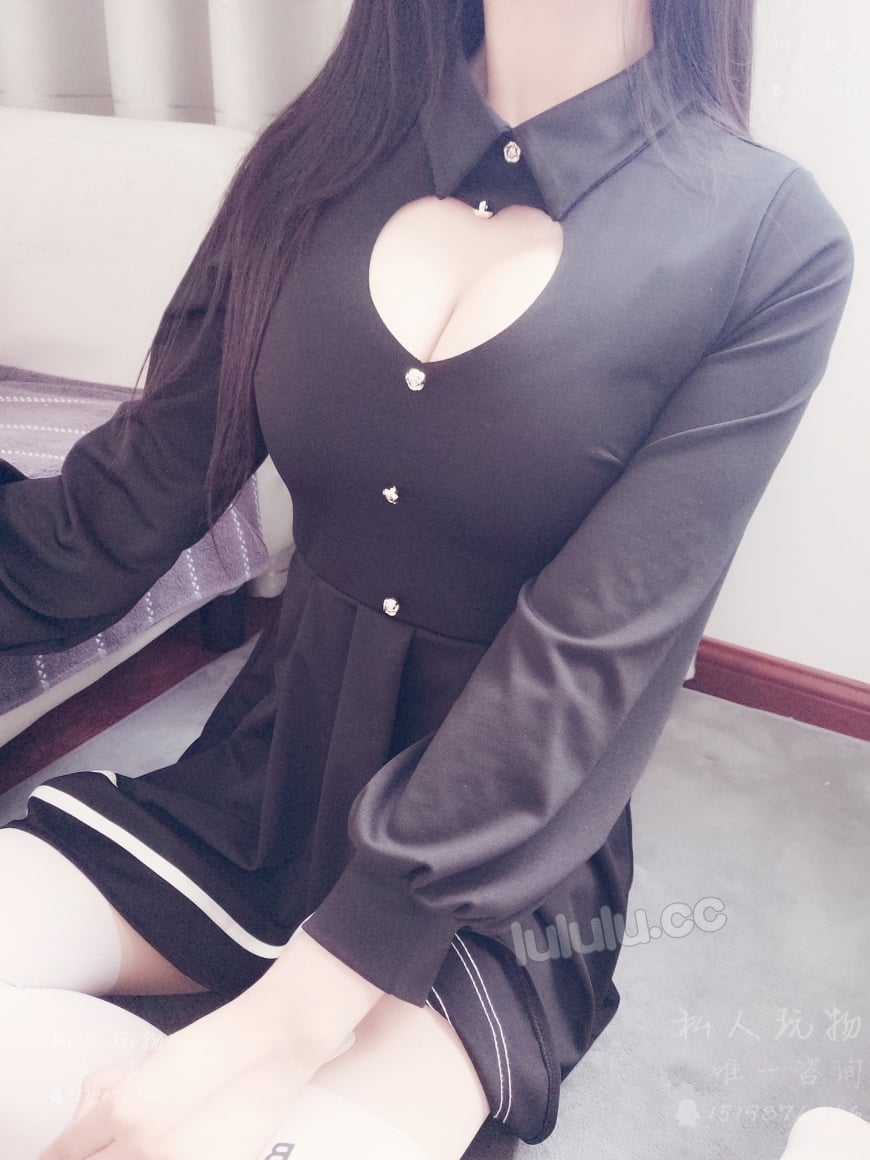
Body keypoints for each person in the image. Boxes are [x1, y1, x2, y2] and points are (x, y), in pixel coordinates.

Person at [0, 1, 854, 1158]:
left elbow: (585, 664)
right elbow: (109, 518)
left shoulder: (771, 239)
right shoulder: (314, 160)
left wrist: (277, 1029)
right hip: (257, 789)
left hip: (496, 871)